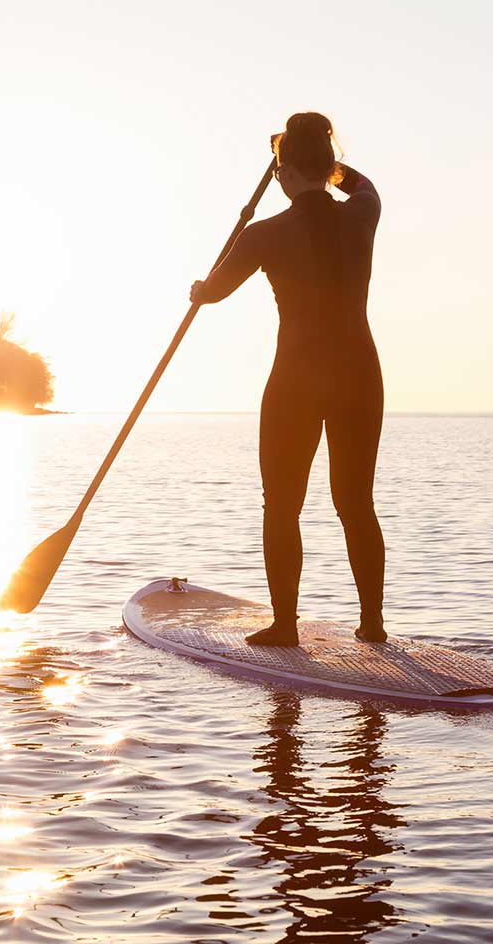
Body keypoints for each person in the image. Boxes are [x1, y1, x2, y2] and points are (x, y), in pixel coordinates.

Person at [190, 112, 385, 647]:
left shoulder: (265, 234)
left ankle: (285, 626)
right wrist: (322, 165)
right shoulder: (363, 212)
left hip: (297, 378)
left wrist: (199, 288)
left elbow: (214, 293)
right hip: (359, 374)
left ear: (281, 171)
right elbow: (360, 183)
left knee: (281, 504)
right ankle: (372, 624)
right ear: (327, 163)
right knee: (356, 503)